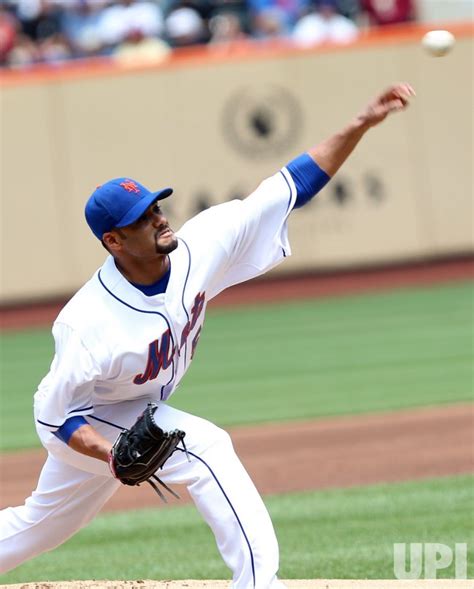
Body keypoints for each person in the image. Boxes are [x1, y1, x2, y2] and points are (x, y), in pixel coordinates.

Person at [0, 82, 415, 588]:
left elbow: (289, 186)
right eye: (141, 219)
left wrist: (359, 125)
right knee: (207, 448)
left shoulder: (201, 244)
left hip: (134, 408)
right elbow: (53, 414)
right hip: (87, 420)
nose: (158, 218)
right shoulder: (88, 323)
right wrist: (108, 453)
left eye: (155, 207)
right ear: (114, 241)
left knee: (42, 526)